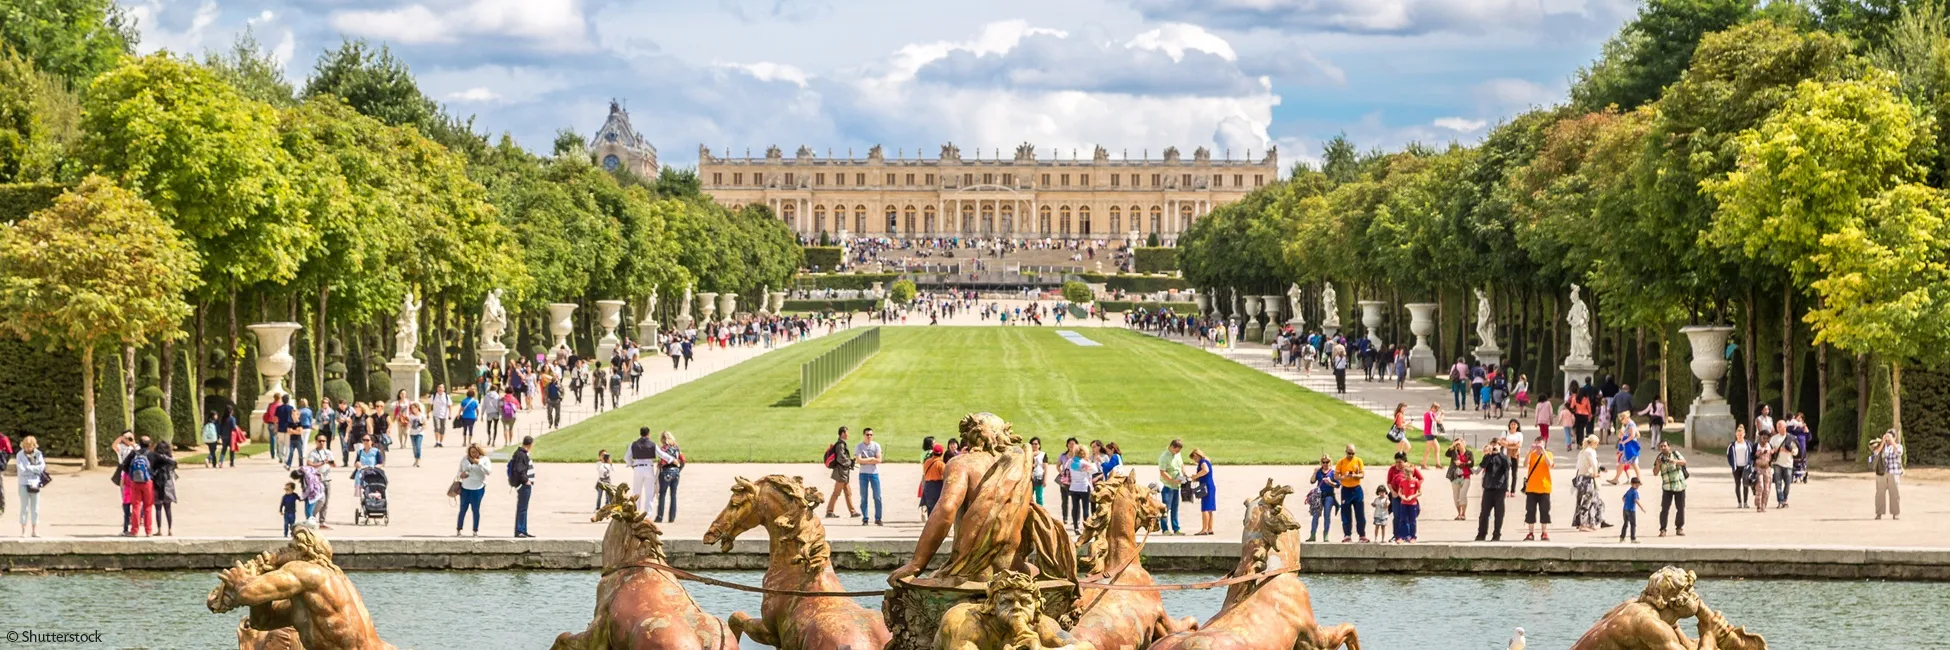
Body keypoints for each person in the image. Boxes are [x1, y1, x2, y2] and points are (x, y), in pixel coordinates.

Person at [1475, 439, 1513, 541]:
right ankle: (1481, 534)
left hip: (1500, 489)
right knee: (1484, 513)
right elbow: (1483, 465)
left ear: (1500, 446)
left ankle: (1497, 534)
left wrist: (1499, 452)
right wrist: (1489, 454)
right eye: (1492, 445)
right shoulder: (1488, 457)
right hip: (1488, 488)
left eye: (1496, 445)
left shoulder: (1504, 457)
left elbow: (1508, 465)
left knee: (1499, 513)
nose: (1494, 446)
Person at [1652, 440, 1687, 537]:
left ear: (1669, 447)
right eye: (1661, 446)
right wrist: (1658, 464)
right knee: (1664, 509)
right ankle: (1663, 529)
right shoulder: (1659, 458)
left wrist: (1675, 461)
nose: (1663, 448)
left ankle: (1679, 528)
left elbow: (1684, 462)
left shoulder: (1675, 454)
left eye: (1665, 446)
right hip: (1667, 487)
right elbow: (1655, 473)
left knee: (1680, 508)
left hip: (1679, 485)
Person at [1573, 435, 1607, 532]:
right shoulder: (1590, 451)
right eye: (1596, 443)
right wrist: (1596, 473)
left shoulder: (1583, 451)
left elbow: (1578, 465)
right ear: (1592, 443)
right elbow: (1594, 464)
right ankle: (1584, 524)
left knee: (1587, 500)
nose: (1598, 445)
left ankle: (1590, 522)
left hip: (1581, 477)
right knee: (1587, 501)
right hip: (1587, 479)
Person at [455, 444, 491, 536]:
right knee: (463, 509)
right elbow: (459, 471)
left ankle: (475, 530)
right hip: (465, 488)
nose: (473, 454)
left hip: (477, 488)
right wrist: (461, 475)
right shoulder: (465, 459)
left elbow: (488, 472)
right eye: (471, 452)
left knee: (475, 509)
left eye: (475, 452)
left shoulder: (484, 459)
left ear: (479, 451)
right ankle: (459, 529)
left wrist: (478, 463)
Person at [1335, 444, 1368, 543]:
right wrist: (1343, 477)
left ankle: (1362, 535)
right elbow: (1336, 476)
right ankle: (1347, 534)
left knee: (1360, 513)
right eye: (1349, 453)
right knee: (1345, 513)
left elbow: (1362, 474)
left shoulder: (1358, 461)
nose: (1351, 455)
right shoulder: (1341, 462)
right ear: (1346, 452)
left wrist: (1355, 475)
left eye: (1353, 453)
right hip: (1346, 490)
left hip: (1356, 489)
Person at [1522, 437, 1552, 542]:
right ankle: (1530, 532)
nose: (1538, 447)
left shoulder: (1548, 454)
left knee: (1545, 511)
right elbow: (1525, 464)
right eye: (1537, 444)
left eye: (1540, 445)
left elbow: (1550, 464)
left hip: (1544, 488)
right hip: (1531, 488)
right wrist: (1530, 451)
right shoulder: (1531, 454)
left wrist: (1543, 450)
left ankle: (1544, 532)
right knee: (1530, 511)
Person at [823, 427, 858, 519]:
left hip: (843, 472)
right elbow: (841, 458)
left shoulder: (841, 444)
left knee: (848, 492)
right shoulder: (840, 444)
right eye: (847, 432)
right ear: (842, 433)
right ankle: (829, 511)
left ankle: (853, 512)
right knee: (836, 492)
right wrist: (850, 462)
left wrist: (849, 462)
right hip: (841, 472)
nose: (848, 434)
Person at [124, 438, 156, 536]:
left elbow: (124, 465)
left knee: (136, 506)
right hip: (148, 482)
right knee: (148, 507)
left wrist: (131, 475)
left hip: (135, 482)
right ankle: (148, 531)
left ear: (140, 444)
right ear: (149, 444)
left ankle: (134, 531)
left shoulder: (133, 453)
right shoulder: (151, 454)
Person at [306, 434, 338, 529]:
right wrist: (322, 463)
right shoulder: (313, 453)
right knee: (320, 501)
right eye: (320, 441)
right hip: (317, 480)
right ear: (316, 442)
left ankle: (322, 521)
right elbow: (309, 464)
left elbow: (334, 464)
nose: (322, 443)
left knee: (326, 502)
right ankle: (311, 518)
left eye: (323, 441)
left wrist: (330, 462)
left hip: (327, 479)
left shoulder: (328, 452)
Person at [1870, 430, 1903, 520]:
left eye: (1892, 436)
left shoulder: (1898, 446)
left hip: (1894, 473)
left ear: (1895, 437)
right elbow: (1875, 453)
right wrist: (1883, 442)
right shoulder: (1881, 446)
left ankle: (1895, 513)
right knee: (1880, 493)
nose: (1889, 438)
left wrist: (1892, 442)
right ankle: (1879, 513)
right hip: (1881, 473)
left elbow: (1899, 452)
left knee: (1895, 494)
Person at [1064, 448, 1097, 534]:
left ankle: (1076, 527)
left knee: (1075, 507)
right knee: (1085, 507)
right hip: (1084, 486)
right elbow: (1095, 470)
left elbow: (1065, 469)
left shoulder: (1070, 462)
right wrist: (1089, 462)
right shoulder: (1084, 463)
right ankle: (1086, 526)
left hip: (1073, 486)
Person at [652, 431, 683, 523]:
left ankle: (660, 516)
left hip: (666, 472)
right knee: (673, 495)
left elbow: (663, 461)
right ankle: (672, 517)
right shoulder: (676, 448)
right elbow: (683, 459)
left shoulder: (664, 448)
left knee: (662, 494)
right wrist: (679, 469)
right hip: (676, 472)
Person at [1156, 440, 1186, 535]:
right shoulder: (1164, 457)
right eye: (1176, 450)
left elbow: (1181, 465)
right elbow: (1163, 472)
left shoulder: (1178, 454)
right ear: (1172, 447)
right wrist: (1173, 480)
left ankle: (1176, 528)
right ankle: (1165, 529)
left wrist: (1184, 473)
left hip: (1176, 486)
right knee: (1165, 509)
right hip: (1167, 486)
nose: (1178, 453)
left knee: (1175, 508)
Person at [15, 436, 43, 537]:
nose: (27, 449)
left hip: (35, 482)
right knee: (24, 507)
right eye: (25, 446)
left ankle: (34, 530)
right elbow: (21, 470)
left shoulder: (38, 454)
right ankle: (23, 530)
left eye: (29, 446)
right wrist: (34, 469)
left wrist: (29, 468)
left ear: (34, 446)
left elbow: (41, 467)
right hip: (23, 483)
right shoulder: (19, 455)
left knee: (35, 508)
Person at [1306, 455, 1338, 542]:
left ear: (1330, 462)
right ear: (1321, 463)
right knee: (1315, 515)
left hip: (1329, 496)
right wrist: (1314, 472)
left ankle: (1326, 534)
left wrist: (1330, 482)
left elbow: (1338, 485)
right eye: (1323, 462)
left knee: (1327, 515)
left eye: (1327, 462)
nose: (1325, 464)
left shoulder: (1333, 472)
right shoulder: (1319, 471)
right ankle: (1312, 535)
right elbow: (1312, 481)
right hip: (1319, 496)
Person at [509, 436, 536, 538]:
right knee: (522, 508)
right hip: (524, 485)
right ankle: (520, 530)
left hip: (525, 485)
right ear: (530, 444)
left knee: (524, 508)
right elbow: (519, 470)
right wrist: (526, 481)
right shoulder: (521, 454)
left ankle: (523, 530)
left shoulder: (521, 453)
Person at [856, 428, 883, 526]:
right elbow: (858, 460)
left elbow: (879, 459)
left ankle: (878, 518)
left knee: (878, 496)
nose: (869, 436)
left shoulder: (876, 445)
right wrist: (872, 459)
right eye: (867, 434)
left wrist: (866, 460)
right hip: (863, 473)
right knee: (864, 497)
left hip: (874, 473)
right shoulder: (859, 446)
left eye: (871, 434)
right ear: (864, 435)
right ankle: (865, 518)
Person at [1189, 448, 1216, 535]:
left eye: (1194, 458)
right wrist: (1196, 478)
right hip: (1210, 485)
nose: (1194, 460)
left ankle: (1204, 529)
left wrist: (1196, 475)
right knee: (1210, 508)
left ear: (1196, 456)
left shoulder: (1202, 462)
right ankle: (1210, 528)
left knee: (1205, 508)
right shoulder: (1207, 461)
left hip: (1206, 487)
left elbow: (1205, 470)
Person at [1445, 438, 1473, 521]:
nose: (1458, 445)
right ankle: (1459, 514)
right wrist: (1453, 445)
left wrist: (1461, 463)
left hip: (1466, 477)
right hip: (1455, 477)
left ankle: (1463, 513)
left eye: (1460, 443)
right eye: (1457, 444)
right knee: (1456, 497)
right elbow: (1447, 454)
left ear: (1464, 443)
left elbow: (1471, 464)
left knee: (1462, 495)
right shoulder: (1454, 452)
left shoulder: (1469, 453)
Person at [1726, 425, 1753, 509]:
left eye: (1741, 434)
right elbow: (1728, 456)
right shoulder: (1732, 445)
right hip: (1736, 468)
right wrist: (1733, 465)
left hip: (1746, 467)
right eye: (1738, 434)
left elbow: (1751, 455)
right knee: (1737, 485)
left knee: (1745, 484)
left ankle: (1745, 502)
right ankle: (1739, 502)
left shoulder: (1748, 444)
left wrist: (1750, 464)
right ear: (1736, 435)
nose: (1740, 436)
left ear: (1744, 434)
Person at [1770, 420, 1795, 508]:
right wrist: (1773, 451)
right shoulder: (1773, 438)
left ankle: (1785, 499)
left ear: (1785, 427)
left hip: (1788, 464)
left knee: (1788, 483)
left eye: (1780, 426)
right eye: (1777, 426)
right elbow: (1770, 449)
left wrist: (1790, 451)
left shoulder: (1791, 438)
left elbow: (1796, 451)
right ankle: (1780, 500)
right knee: (1778, 483)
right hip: (1777, 463)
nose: (1778, 428)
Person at [921, 444, 947, 515]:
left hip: (928, 485)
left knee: (930, 508)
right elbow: (945, 476)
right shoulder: (941, 464)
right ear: (942, 453)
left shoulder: (927, 462)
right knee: (937, 508)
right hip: (937, 486)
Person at [1753, 429, 1775, 512]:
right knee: (1760, 487)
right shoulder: (1756, 446)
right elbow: (1751, 457)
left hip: (1767, 468)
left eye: (1767, 438)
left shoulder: (1770, 446)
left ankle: (1764, 505)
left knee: (1767, 489)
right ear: (1760, 437)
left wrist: (1773, 453)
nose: (1765, 440)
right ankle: (1758, 504)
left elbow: (1773, 457)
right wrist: (1757, 454)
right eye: (1764, 438)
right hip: (1758, 468)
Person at [1619, 477, 1641, 543]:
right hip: (1631, 510)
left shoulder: (1629, 490)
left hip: (1625, 509)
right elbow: (1636, 500)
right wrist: (1642, 507)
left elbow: (1623, 498)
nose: (1637, 486)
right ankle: (1633, 539)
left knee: (1625, 524)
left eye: (1638, 485)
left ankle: (1622, 538)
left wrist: (1626, 504)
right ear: (1632, 484)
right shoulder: (1635, 492)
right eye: (1636, 485)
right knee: (1633, 524)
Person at [1028, 437, 1047, 506]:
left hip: (1039, 478)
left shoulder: (1043, 454)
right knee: (1029, 497)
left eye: (1036, 444)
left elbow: (1045, 468)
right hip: (1029, 479)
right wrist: (1032, 454)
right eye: (1032, 444)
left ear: (1039, 445)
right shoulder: (1027, 454)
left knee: (1039, 497)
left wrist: (1045, 480)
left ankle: (1041, 512)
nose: (1034, 445)